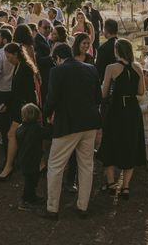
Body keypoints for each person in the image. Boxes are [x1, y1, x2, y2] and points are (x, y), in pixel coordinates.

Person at [41, 43, 102, 220]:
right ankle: (83, 206)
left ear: (57, 58)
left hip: (67, 124)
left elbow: (51, 99)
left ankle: (52, 208)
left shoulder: (57, 71)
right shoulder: (91, 69)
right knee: (86, 165)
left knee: (55, 165)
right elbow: (98, 98)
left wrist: (45, 115)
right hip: (90, 122)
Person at [99, 38, 146, 199]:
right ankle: (125, 186)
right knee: (130, 144)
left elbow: (104, 93)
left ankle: (112, 183)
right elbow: (141, 92)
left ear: (117, 51)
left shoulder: (111, 68)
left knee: (110, 142)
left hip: (116, 109)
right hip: (132, 110)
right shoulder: (138, 67)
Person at [0, 42, 38, 181]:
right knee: (17, 136)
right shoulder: (19, 67)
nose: (8, 60)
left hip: (23, 109)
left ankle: (8, 166)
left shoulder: (24, 69)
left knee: (11, 134)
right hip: (19, 107)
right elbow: (16, 91)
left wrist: (28, 110)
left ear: (16, 54)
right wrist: (6, 104)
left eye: (9, 57)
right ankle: (13, 164)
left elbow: (28, 92)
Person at [17, 103, 49, 211]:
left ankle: (31, 197)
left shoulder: (20, 128)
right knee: (31, 181)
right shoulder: (36, 129)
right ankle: (25, 200)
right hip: (32, 160)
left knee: (31, 180)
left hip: (23, 159)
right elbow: (48, 134)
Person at [95, 18, 119, 85]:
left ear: (106, 30)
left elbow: (98, 69)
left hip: (107, 82)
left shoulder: (103, 48)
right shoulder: (123, 45)